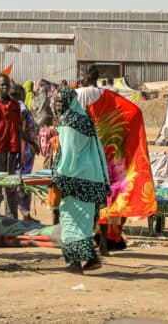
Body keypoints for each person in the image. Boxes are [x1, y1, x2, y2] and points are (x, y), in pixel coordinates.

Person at [53, 86, 110, 274]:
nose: (57, 104)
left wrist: (58, 174)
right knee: (83, 220)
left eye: (60, 101)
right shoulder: (84, 117)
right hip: (91, 176)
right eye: (57, 100)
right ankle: (90, 259)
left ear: (69, 101)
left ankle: (76, 264)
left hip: (76, 178)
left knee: (71, 219)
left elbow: (69, 154)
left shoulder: (69, 121)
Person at [0, 74, 36, 217]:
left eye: (7, 84)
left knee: (11, 185)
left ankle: (11, 218)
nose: (5, 87)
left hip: (13, 150)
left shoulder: (15, 105)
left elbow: (20, 130)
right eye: (2, 85)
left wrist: (21, 151)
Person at [12, 83, 39, 220]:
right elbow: (21, 132)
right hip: (24, 150)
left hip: (25, 150)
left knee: (22, 182)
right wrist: (33, 143)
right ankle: (24, 213)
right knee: (23, 182)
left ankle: (25, 213)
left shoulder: (17, 106)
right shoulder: (21, 107)